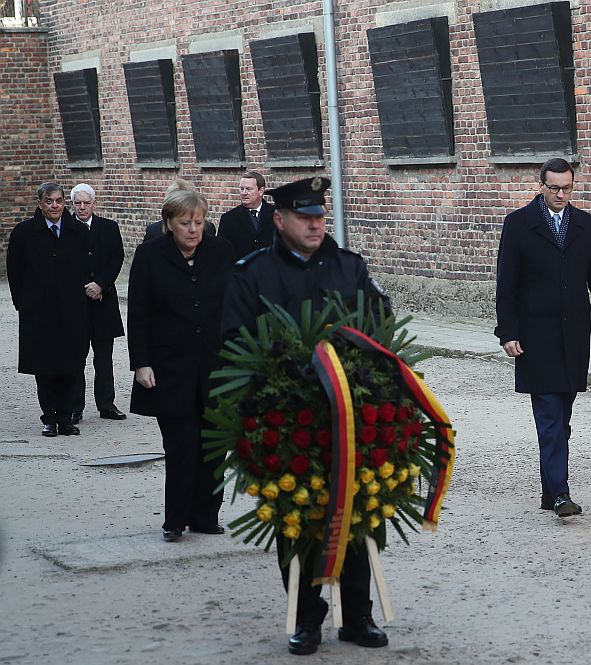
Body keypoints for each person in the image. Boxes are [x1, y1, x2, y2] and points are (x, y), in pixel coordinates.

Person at [220, 176, 391, 657]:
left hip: (349, 420)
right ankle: (305, 620)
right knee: (296, 522)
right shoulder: (252, 274)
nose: (316, 225)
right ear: (280, 220)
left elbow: (379, 327)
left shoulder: (349, 268)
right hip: (288, 424)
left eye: (320, 217)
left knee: (358, 516)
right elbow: (233, 342)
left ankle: (357, 615)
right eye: (305, 217)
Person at [494, 158, 591, 518]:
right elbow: (506, 284)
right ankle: (560, 494)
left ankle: (548, 489)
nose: (561, 195)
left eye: (567, 188)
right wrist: (507, 332)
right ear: (541, 186)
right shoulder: (519, 225)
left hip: (572, 337)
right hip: (535, 339)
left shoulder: (584, 224)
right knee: (549, 417)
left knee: (562, 417)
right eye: (554, 188)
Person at [127, 184, 235, 542]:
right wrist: (141, 363)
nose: (193, 230)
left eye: (200, 223)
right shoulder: (150, 255)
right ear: (169, 222)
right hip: (170, 367)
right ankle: (175, 518)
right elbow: (139, 313)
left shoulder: (221, 252)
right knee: (180, 445)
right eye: (186, 222)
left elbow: (235, 307)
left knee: (215, 444)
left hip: (216, 365)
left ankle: (206, 514)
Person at [7, 183, 90, 437]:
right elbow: (15, 272)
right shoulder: (24, 233)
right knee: (44, 366)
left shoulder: (77, 231)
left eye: (59, 201)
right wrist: (23, 303)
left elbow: (86, 266)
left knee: (71, 363)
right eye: (49, 201)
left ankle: (66, 417)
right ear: (40, 204)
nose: (55, 206)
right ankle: (49, 417)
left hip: (71, 309)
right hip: (39, 311)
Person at [68, 183, 127, 423]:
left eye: (86, 202)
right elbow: (64, 264)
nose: (82, 207)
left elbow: (117, 257)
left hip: (104, 301)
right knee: (75, 358)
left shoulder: (109, 227)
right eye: (77, 203)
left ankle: (106, 404)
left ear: (95, 203)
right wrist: (84, 288)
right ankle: (74, 407)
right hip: (76, 304)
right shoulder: (66, 229)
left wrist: (101, 284)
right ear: (72, 205)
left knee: (104, 358)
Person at [218, 170, 276, 260]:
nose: (244, 193)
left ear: (261, 191)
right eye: (242, 189)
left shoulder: (276, 215)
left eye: (248, 189)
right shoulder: (228, 219)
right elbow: (222, 253)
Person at [141, 180, 216, 244]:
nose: (193, 229)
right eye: (185, 223)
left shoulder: (208, 229)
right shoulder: (154, 231)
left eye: (198, 222)